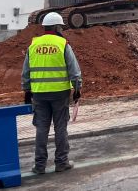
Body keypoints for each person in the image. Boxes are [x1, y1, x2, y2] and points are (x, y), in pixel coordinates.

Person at [22, 12, 82, 174]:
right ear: (56, 27)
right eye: (60, 27)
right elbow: (74, 69)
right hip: (60, 93)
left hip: (39, 93)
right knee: (60, 128)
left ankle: (39, 165)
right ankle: (61, 162)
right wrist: (77, 89)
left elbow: (26, 71)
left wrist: (27, 90)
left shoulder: (33, 45)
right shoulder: (62, 44)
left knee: (41, 128)